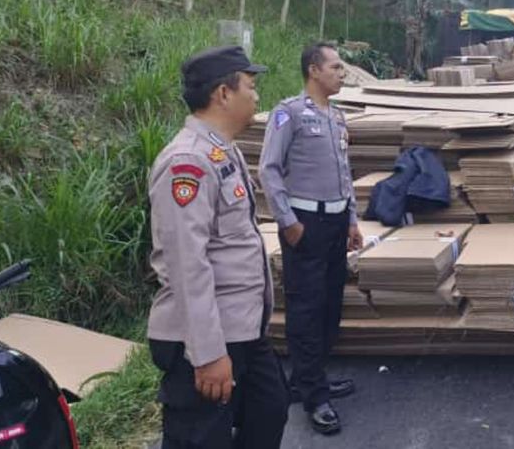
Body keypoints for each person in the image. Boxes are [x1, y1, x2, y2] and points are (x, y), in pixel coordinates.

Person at [146, 45, 288, 449]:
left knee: (270, 408)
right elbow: (187, 266)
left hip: (242, 327)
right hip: (207, 337)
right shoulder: (186, 163)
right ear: (223, 94)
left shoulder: (221, 150)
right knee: (201, 436)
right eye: (250, 85)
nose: (256, 95)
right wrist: (207, 354)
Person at [259, 42, 364, 436]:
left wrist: (352, 219)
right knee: (306, 308)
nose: (342, 72)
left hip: (337, 225)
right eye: (336, 67)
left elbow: (345, 174)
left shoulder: (337, 118)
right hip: (305, 224)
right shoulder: (290, 114)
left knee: (330, 304)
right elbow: (268, 169)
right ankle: (314, 397)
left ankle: (311, 377)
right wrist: (287, 221)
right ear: (313, 71)